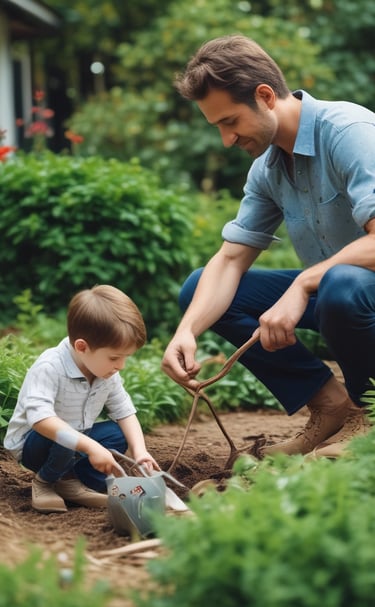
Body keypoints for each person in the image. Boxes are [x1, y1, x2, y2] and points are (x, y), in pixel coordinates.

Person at [161, 34, 375, 459]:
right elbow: (230, 259)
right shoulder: (269, 167)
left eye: (230, 121)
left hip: (351, 293)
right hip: (343, 294)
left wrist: (303, 285)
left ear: (264, 96)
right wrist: (186, 331)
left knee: (339, 284)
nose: (226, 139)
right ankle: (335, 408)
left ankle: (371, 418)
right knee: (200, 288)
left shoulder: (349, 132)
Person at [4, 284, 160, 513]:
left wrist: (140, 451)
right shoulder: (50, 366)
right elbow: (41, 419)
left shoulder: (106, 372)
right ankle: (45, 481)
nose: (121, 366)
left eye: (126, 357)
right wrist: (91, 446)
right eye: (115, 357)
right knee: (65, 433)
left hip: (75, 438)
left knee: (115, 435)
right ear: (82, 347)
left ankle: (74, 480)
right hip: (36, 444)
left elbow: (124, 410)